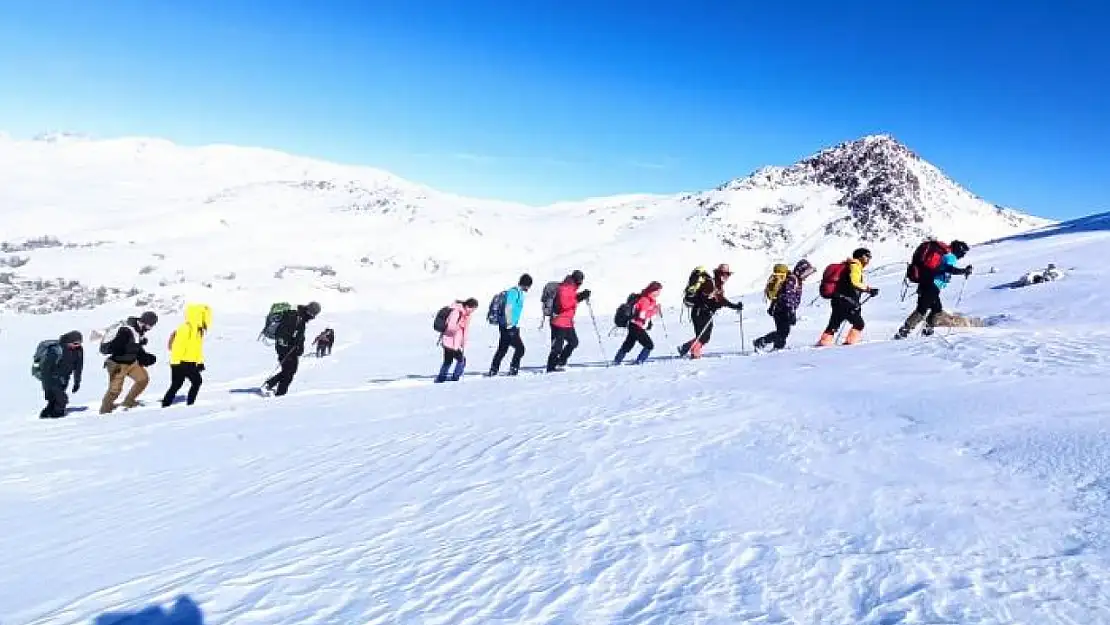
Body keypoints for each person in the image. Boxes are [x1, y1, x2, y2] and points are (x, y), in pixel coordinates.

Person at [895, 240, 972, 339]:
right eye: (963, 253)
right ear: (959, 250)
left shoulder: (944, 254)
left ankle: (927, 332)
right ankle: (903, 333)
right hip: (932, 284)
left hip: (927, 282)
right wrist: (963, 271)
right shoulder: (950, 257)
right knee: (922, 309)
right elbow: (947, 268)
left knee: (936, 309)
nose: (963, 256)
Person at [678, 264, 743, 358]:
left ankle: (686, 349)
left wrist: (734, 306)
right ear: (719, 273)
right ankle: (694, 356)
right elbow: (704, 299)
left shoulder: (717, 285)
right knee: (703, 337)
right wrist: (714, 303)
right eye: (724, 274)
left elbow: (720, 300)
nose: (726, 277)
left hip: (703, 312)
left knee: (703, 337)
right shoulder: (710, 283)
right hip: (700, 312)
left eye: (728, 274)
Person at [817, 248, 878, 347]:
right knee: (859, 324)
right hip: (847, 301)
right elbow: (855, 282)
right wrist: (869, 289)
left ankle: (823, 343)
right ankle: (850, 346)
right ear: (860, 256)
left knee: (833, 325)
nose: (869, 259)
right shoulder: (855, 266)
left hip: (837, 299)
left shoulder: (847, 265)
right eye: (867, 256)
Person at [99, 311, 159, 413]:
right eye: (150, 326)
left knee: (143, 379)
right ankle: (105, 411)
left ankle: (128, 401)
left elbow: (135, 347)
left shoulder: (138, 330)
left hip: (131, 363)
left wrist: (145, 357)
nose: (150, 329)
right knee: (115, 390)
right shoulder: (125, 331)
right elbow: (117, 347)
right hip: (117, 364)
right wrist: (132, 346)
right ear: (145, 323)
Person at [754, 259, 815, 351]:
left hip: (780, 309)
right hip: (782, 309)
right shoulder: (793, 279)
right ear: (801, 270)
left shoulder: (794, 279)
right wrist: (790, 311)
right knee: (783, 332)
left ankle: (776, 347)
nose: (807, 275)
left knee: (783, 331)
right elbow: (787, 296)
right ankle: (762, 343)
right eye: (806, 273)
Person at [263, 301, 320, 396]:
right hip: (286, 349)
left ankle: (270, 384)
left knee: (290, 370)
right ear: (310, 311)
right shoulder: (295, 317)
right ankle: (280, 395)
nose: (313, 317)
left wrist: (298, 347)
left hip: (290, 349)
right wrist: (289, 345)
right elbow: (284, 332)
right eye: (313, 314)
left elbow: (298, 335)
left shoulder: (301, 317)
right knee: (289, 372)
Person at [161, 303, 211, 407]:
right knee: (193, 382)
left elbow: (198, 349)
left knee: (178, 384)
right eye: (204, 316)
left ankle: (167, 404)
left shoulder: (198, 331)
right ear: (198, 315)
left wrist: (200, 362)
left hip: (190, 362)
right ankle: (187, 404)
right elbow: (178, 347)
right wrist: (175, 364)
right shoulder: (185, 328)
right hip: (181, 362)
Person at [546, 270, 591, 372]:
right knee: (557, 347)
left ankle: (561, 361)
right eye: (580, 281)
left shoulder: (571, 288)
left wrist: (581, 296)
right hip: (558, 322)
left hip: (567, 322)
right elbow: (564, 305)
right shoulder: (565, 288)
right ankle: (551, 368)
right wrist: (578, 298)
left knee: (573, 342)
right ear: (576, 280)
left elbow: (571, 299)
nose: (580, 283)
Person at [488, 274, 532, 376]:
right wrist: (509, 324)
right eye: (529, 285)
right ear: (525, 284)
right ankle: (513, 369)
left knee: (503, 349)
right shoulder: (513, 292)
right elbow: (508, 307)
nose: (529, 288)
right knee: (520, 349)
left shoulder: (519, 293)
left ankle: (494, 369)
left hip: (510, 325)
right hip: (508, 325)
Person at [614, 281, 662, 365]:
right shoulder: (645, 300)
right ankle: (640, 361)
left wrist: (654, 309)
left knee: (628, 344)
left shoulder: (648, 299)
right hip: (636, 326)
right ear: (652, 290)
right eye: (657, 291)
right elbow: (642, 315)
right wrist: (654, 311)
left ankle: (617, 360)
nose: (659, 293)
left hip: (634, 325)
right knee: (649, 345)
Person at [38, 331, 84, 419]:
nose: (78, 345)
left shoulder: (79, 350)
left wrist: (77, 382)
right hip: (51, 378)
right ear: (69, 341)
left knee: (55, 400)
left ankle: (47, 415)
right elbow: (46, 369)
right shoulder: (56, 350)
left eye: (80, 343)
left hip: (64, 378)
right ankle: (57, 417)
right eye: (75, 343)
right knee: (60, 399)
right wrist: (47, 385)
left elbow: (78, 367)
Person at [436, 298, 479, 382]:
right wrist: (459, 326)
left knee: (448, 360)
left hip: (454, 342)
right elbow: (450, 327)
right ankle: (455, 378)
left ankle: (441, 378)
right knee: (461, 360)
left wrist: (463, 342)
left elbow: (465, 331)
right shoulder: (457, 312)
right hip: (450, 341)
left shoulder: (466, 315)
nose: (472, 311)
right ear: (467, 306)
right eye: (472, 309)